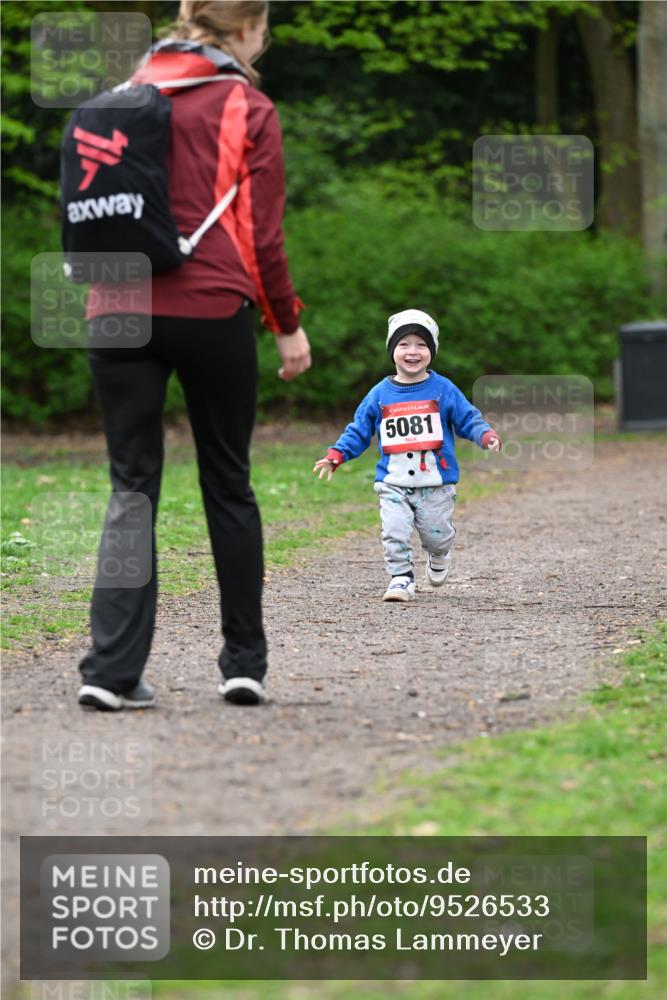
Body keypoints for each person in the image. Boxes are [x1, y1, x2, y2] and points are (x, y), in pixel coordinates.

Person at [77, 1, 310, 711]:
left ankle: (109, 673)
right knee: (229, 484)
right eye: (263, 31)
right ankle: (243, 664)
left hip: (116, 309)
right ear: (245, 29)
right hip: (210, 307)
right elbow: (261, 237)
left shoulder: (123, 93)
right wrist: (286, 325)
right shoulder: (246, 104)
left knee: (131, 489)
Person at [313, 309, 501, 602]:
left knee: (435, 535)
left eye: (421, 345)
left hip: (436, 483)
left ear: (432, 351)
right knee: (394, 531)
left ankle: (439, 554)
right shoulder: (379, 393)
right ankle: (401, 578)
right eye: (404, 344)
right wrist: (337, 454)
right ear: (392, 350)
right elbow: (359, 429)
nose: (412, 351)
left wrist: (485, 435)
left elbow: (467, 418)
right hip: (393, 482)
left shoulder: (443, 389)